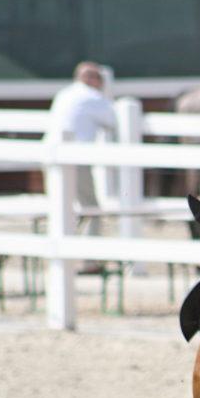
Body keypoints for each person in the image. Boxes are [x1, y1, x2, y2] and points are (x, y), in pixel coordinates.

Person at [46, 62, 117, 264]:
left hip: (51, 157)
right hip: (75, 159)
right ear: (91, 79)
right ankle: (89, 260)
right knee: (91, 209)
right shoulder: (92, 97)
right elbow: (113, 121)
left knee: (60, 209)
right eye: (99, 79)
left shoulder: (64, 94)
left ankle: (62, 257)